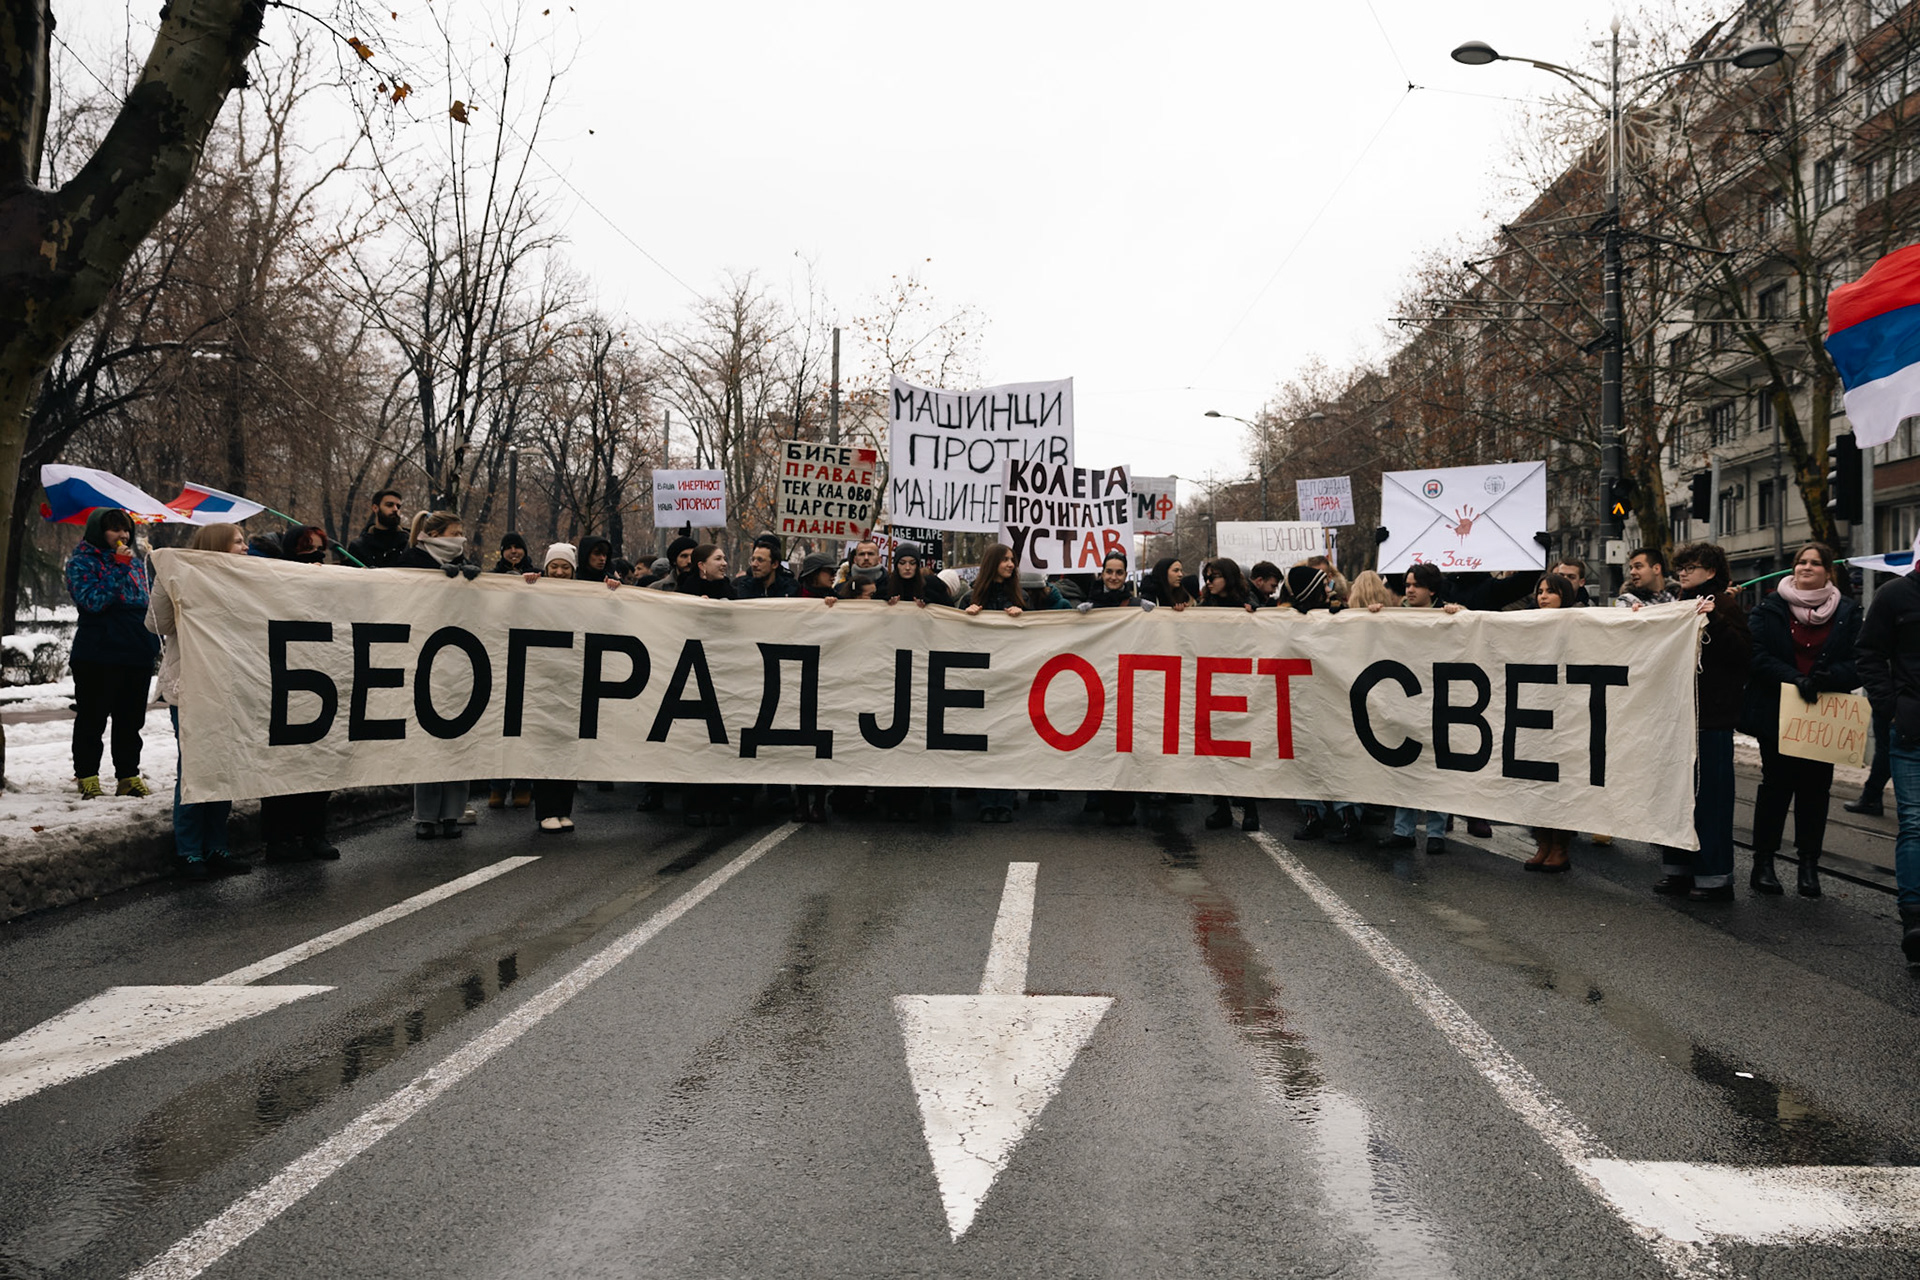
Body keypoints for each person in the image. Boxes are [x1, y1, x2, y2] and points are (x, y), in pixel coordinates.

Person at [1740, 543, 1860, 898]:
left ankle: (1809, 866)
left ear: (1828, 571)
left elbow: (1861, 661)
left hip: (1825, 714)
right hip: (1776, 711)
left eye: (1815, 562)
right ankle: (1764, 863)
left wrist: (1829, 677)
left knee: (1815, 790)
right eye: (1800, 562)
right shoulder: (1769, 607)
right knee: (1775, 786)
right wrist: (1795, 679)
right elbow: (1756, 656)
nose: (1806, 567)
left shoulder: (1849, 613)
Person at [146, 522, 253, 878]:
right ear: (217, 545)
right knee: (195, 768)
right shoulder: (182, 576)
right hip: (191, 687)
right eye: (238, 542)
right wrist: (169, 578)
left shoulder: (246, 579)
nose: (245, 547)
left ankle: (216, 846)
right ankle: (189, 851)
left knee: (223, 768)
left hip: (230, 686)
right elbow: (156, 623)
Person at [1654, 542, 1751, 902]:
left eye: (1691, 567)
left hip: (1711, 718)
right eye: (1681, 567)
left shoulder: (1723, 605)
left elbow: (1743, 655)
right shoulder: (1679, 605)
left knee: (1709, 800)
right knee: (1676, 798)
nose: (1683, 572)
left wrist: (1717, 619)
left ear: (1711, 572)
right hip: (1678, 717)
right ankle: (1677, 869)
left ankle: (1714, 876)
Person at [257, 524, 344, 862]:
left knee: (319, 764)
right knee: (281, 766)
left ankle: (313, 834)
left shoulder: (331, 579)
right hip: (282, 678)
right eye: (308, 549)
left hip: (322, 678)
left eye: (320, 549)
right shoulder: (268, 577)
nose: (316, 556)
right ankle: (278, 840)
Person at [65, 507, 160, 800]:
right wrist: (117, 567)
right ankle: (88, 776)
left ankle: (128, 776)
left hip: (136, 650)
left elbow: (146, 602)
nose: (123, 536)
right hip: (98, 652)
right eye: (115, 529)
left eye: (126, 530)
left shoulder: (135, 563)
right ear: (98, 531)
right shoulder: (81, 563)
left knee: (130, 721)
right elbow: (92, 601)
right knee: (92, 718)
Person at [1855, 535, 1920, 962]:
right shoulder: (1894, 595)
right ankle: (1914, 916)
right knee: (1915, 821)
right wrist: (1890, 708)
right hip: (1912, 728)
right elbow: (1869, 653)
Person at [396, 512, 476, 837]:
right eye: (454, 533)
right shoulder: (410, 559)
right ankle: (426, 816)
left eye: (461, 533)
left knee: (459, 739)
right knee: (429, 741)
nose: (460, 539)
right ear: (434, 534)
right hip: (422, 660)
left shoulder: (464, 562)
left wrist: (474, 584)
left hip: (457, 662)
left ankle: (452, 814)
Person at [1377, 564, 1464, 854]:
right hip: (1406, 700)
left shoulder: (1447, 615)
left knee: (1437, 767)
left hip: (1439, 701)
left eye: (1416, 585)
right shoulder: (1395, 614)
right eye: (1407, 584)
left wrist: (1460, 615)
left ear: (1432, 590)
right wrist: (1372, 615)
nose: (1410, 590)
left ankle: (1436, 832)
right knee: (1406, 766)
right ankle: (1403, 830)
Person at [1522, 573, 1581, 873]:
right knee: (1537, 781)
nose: (1543, 596)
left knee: (1561, 784)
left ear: (1565, 596)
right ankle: (1543, 843)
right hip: (1534, 710)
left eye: (1551, 592)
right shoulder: (1527, 624)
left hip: (1566, 713)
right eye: (1540, 591)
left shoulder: (1579, 622)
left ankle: (1560, 847)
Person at [1201, 558, 1263, 832]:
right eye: (1207, 577)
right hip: (1213, 685)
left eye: (1214, 576)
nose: (1209, 582)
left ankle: (1251, 810)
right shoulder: (1204, 607)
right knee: (1216, 750)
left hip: (1241, 685)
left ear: (1227, 577)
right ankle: (1222, 807)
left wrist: (1257, 613)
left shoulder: (1249, 603)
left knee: (1242, 750)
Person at [347, 488, 409, 568]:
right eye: (389, 505)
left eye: (398, 506)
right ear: (375, 508)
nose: (395, 509)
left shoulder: (409, 545)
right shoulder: (359, 547)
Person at [735, 533, 800, 599]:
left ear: (774, 564)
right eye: (753, 559)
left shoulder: (790, 588)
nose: (754, 564)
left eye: (760, 560)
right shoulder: (743, 586)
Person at [887, 544, 953, 607]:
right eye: (902, 563)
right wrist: (886, 604)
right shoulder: (885, 587)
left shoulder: (932, 586)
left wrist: (929, 604)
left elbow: (949, 610)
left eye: (912, 563)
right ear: (896, 565)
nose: (907, 567)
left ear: (917, 565)